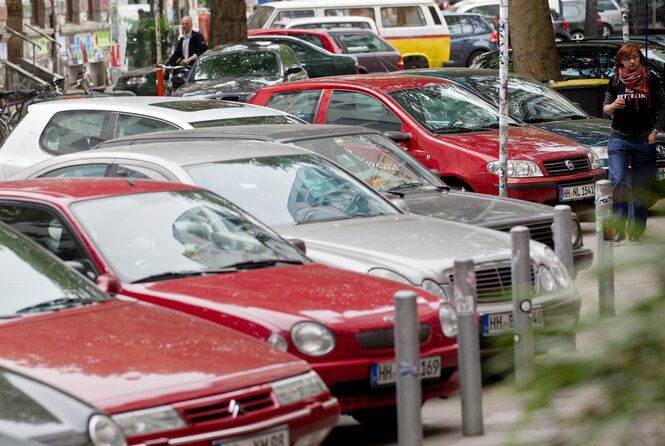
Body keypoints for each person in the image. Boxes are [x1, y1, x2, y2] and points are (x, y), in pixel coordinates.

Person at [602, 42, 665, 243]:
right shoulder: (614, 80)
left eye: (635, 57)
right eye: (627, 58)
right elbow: (606, 109)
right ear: (620, 61)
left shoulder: (650, 79)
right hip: (619, 137)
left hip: (644, 138)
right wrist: (613, 105)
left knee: (640, 188)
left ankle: (636, 231)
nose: (632, 61)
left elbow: (664, 106)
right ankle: (618, 227)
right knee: (619, 181)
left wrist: (656, 130)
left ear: (640, 58)